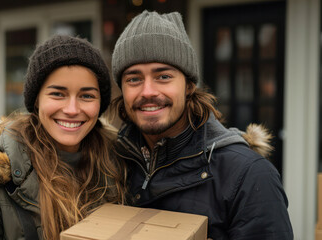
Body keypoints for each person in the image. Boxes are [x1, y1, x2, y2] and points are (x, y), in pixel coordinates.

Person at [111, 10, 293, 239]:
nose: (148, 92)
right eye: (134, 79)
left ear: (189, 86)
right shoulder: (111, 163)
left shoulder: (248, 175)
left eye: (163, 76)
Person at [0, 35, 125, 240]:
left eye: (87, 96)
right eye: (58, 94)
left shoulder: (121, 164)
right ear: (37, 100)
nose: (72, 109)